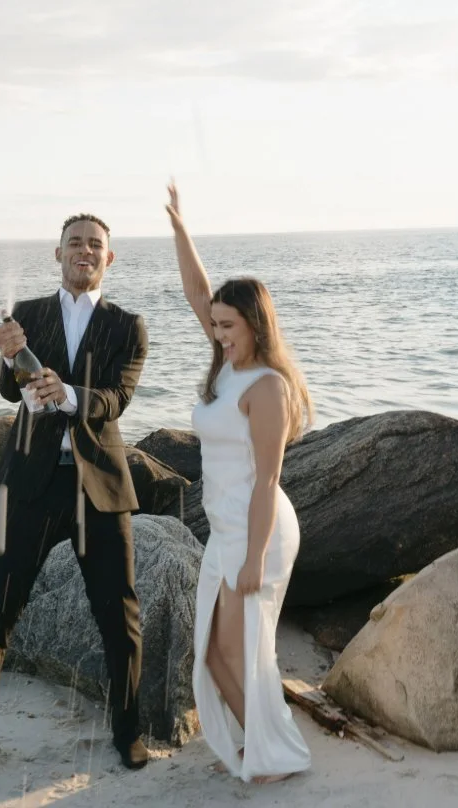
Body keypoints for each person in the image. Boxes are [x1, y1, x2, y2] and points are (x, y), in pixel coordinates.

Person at [0, 213, 150, 787]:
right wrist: (8, 357)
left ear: (109, 259)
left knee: (118, 616)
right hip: (28, 486)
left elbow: (117, 398)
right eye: (74, 242)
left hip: (97, 484)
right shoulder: (25, 315)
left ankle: (128, 733)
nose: (84, 251)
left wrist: (72, 395)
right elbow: (9, 388)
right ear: (57, 254)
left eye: (95, 245)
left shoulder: (129, 325)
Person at [165, 182, 312, 784]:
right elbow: (199, 293)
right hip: (226, 526)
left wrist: (252, 557)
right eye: (216, 325)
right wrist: (179, 228)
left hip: (260, 530)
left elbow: (267, 479)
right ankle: (266, 745)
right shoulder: (228, 365)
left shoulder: (268, 388)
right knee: (214, 650)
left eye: (228, 325)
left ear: (255, 323)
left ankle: (272, 755)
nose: (218, 333)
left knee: (238, 650)